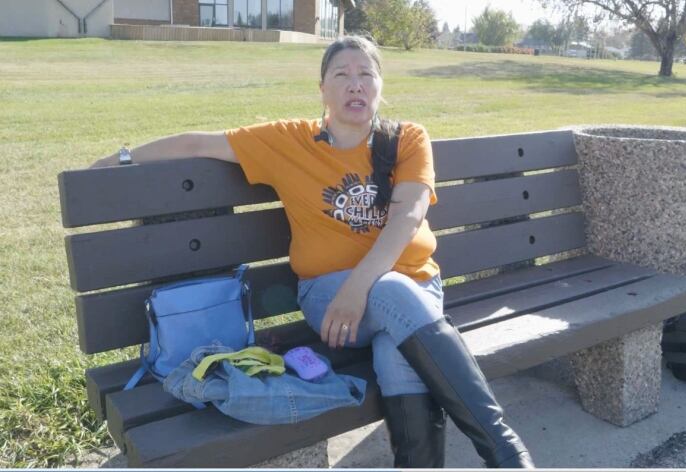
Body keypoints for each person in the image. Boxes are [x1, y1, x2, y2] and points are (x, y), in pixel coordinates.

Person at [92, 35, 534, 469]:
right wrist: (117, 161)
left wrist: (360, 286)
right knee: (396, 293)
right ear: (322, 89)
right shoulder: (290, 141)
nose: (355, 84)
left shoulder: (408, 139)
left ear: (380, 85)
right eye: (341, 74)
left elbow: (408, 216)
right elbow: (196, 144)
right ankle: (508, 455)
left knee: (396, 358)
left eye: (366, 74)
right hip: (330, 299)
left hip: (413, 291)